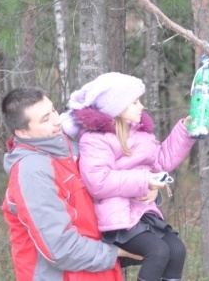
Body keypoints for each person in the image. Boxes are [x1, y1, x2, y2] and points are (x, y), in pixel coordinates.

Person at [61, 73, 197, 281]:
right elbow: (99, 182)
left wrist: (184, 132)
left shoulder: (140, 134)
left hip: (140, 213)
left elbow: (160, 161)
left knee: (176, 250)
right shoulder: (95, 139)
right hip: (116, 219)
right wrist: (145, 182)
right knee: (158, 252)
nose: (141, 106)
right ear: (116, 107)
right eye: (134, 102)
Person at [1, 87, 140, 281]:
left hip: (99, 272)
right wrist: (118, 252)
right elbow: (60, 249)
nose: (57, 120)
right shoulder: (32, 172)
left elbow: (109, 189)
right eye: (45, 119)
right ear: (22, 132)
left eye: (53, 111)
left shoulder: (73, 148)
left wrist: (146, 190)